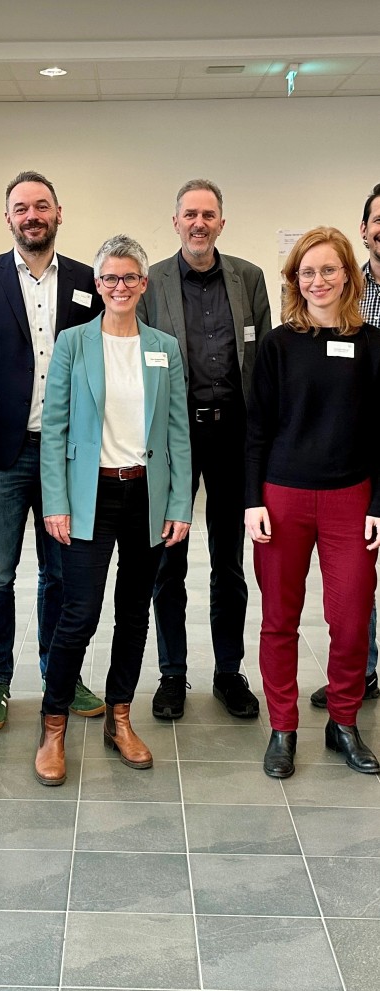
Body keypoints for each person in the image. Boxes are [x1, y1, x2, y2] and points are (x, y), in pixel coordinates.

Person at [35, 235, 192, 786]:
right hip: (88, 496)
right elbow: (53, 429)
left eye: (129, 278)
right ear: (97, 285)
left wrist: (180, 505)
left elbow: (177, 432)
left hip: (146, 495)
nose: (119, 287)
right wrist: (55, 500)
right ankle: (53, 725)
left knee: (134, 611)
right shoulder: (74, 343)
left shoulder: (164, 348)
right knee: (78, 612)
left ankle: (120, 718)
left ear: (143, 285)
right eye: (109, 278)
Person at [0, 170, 105, 731]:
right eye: (21, 208)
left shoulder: (87, 280)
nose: (32, 216)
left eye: (41, 206)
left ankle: (58, 673)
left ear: (58, 212)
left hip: (64, 453)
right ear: (8, 219)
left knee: (60, 575)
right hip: (1, 451)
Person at [245, 226, 380, 779]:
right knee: (280, 618)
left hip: (353, 498)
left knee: (350, 621)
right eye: (307, 272)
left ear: (347, 274)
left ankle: (343, 722)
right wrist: (252, 500)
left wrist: (379, 504)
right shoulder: (278, 345)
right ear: (294, 279)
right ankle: (283, 727)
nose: (318, 280)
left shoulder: (373, 344)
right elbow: (256, 429)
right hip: (283, 497)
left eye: (328, 269)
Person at [136, 178, 271, 722]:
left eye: (208, 214)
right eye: (189, 214)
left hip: (233, 437)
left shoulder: (249, 278)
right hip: (175, 437)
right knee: (169, 559)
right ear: (175, 222)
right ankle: (172, 675)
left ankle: (228, 671)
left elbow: (261, 368)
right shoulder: (154, 283)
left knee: (228, 562)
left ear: (221, 221)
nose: (199, 222)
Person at [310, 183, 380, 709]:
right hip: (361, 456)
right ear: (365, 230)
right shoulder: (358, 304)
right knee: (359, 586)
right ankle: (362, 676)